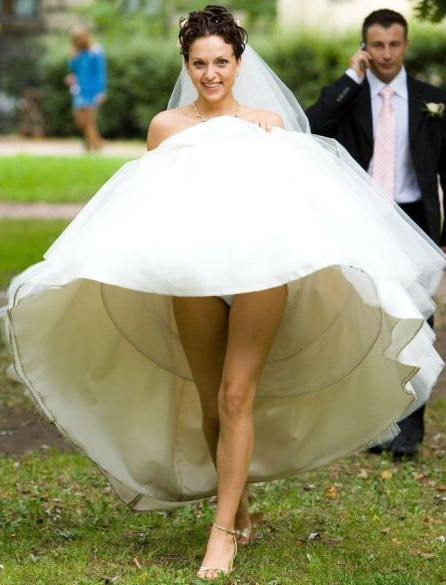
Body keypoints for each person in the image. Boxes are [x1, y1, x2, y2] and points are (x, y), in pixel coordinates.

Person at [1, 5, 445, 580]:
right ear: (186, 66)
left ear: (238, 63)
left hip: (261, 274)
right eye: (199, 63)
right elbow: (148, 206)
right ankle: (239, 506)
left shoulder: (266, 124)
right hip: (191, 275)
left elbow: (293, 208)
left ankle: (222, 531)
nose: (211, 74)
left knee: (237, 396)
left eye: (221, 62)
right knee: (211, 401)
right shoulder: (165, 128)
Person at [306, 8, 446, 457]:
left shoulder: (432, 100)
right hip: (362, 219)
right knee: (366, 318)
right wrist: (351, 77)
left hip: (414, 219)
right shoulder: (349, 96)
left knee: (414, 319)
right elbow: (310, 127)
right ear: (365, 47)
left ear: (406, 46)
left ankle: (410, 428)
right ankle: (373, 422)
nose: (386, 54)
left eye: (394, 44)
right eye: (377, 45)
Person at [66, 25, 107, 151]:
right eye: (75, 39)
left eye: (79, 38)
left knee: (89, 121)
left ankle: (92, 148)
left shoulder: (96, 51)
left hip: (93, 91)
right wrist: (71, 77)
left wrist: (101, 91)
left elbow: (100, 72)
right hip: (79, 91)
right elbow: (73, 70)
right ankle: (97, 143)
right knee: (80, 121)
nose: (78, 41)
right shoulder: (77, 54)